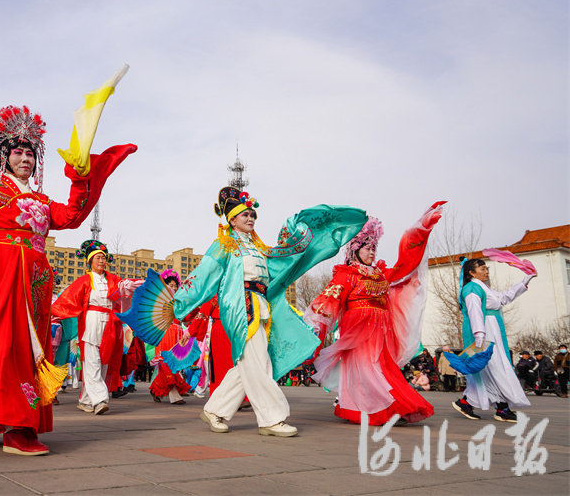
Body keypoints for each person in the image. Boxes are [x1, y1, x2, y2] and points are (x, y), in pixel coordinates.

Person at [0, 105, 136, 455]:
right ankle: (17, 428)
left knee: (24, 347)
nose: (25, 158)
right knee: (5, 347)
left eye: (30, 153)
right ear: (3, 157)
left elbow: (71, 216)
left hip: (34, 279)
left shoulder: (40, 200)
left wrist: (81, 178)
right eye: (18, 152)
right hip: (0, 274)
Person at [156, 186, 367, 437]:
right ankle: (271, 418)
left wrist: (303, 238)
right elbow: (203, 276)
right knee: (259, 363)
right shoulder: (224, 246)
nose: (250, 218)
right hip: (240, 308)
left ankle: (215, 410)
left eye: (252, 215)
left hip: (260, 306)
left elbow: (280, 261)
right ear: (232, 219)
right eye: (245, 215)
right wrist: (178, 303)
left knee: (247, 364)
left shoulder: (256, 247)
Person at [306, 205, 443, 426]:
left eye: (374, 249)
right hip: (358, 330)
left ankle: (389, 407)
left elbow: (403, 270)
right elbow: (327, 301)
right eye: (367, 248)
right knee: (367, 370)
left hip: (381, 331)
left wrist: (419, 233)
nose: (372, 253)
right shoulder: (347, 275)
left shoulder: (380, 274)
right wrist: (316, 327)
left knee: (382, 369)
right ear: (355, 250)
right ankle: (382, 409)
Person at [51, 239, 142, 415]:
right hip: (91, 321)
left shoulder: (114, 280)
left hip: (110, 323)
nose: (102, 260)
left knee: (104, 362)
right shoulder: (84, 280)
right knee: (92, 361)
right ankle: (100, 400)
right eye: (98, 257)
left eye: (103, 257)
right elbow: (68, 300)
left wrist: (139, 285)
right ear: (90, 261)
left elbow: (125, 289)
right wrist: (53, 313)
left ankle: (85, 400)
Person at [452, 258, 534, 422]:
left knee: (493, 367)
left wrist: (526, 279)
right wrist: (479, 334)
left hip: (493, 329)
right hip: (484, 329)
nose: (486, 271)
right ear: (471, 272)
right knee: (492, 367)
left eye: (486, 268)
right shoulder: (471, 288)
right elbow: (474, 311)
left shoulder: (484, 288)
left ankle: (469, 403)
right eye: (481, 268)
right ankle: (500, 407)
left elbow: (504, 298)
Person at [149, 269, 193, 404]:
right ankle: (174, 396)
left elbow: (185, 318)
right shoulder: (160, 301)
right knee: (168, 363)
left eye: (175, 286)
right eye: (170, 285)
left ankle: (155, 389)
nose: (173, 288)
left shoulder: (179, 301)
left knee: (175, 364)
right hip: (166, 333)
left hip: (178, 333)